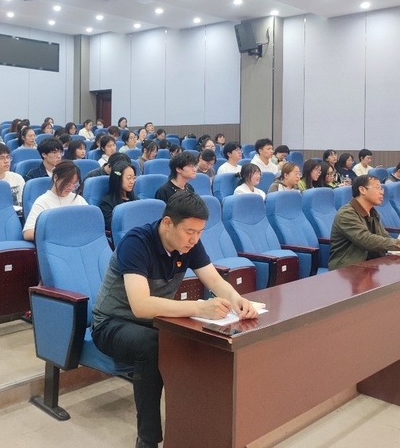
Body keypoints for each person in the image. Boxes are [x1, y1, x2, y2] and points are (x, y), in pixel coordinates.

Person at [91, 192, 258, 448]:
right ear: (168, 223)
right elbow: (140, 306)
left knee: (201, 340)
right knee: (153, 345)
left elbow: (214, 280)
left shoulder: (189, 244)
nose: (195, 239)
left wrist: (237, 299)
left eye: (200, 232)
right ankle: (147, 440)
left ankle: (201, 427)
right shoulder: (136, 243)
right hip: (111, 323)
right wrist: (200, 308)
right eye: (190, 231)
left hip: (156, 321)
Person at [329, 175, 400, 270]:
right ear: (362, 190)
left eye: (381, 189)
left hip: (372, 265)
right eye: (377, 188)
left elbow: (384, 236)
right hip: (347, 268)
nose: (382, 192)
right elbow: (366, 240)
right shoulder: (346, 213)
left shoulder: (372, 212)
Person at [22, 161, 88, 240]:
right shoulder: (43, 201)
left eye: (74, 184)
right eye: (67, 183)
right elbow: (28, 233)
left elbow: (91, 223)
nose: (71, 187)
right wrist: (58, 233)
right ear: (55, 178)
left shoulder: (78, 199)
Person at [99, 160, 138, 230]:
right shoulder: (106, 203)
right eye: (129, 178)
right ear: (118, 179)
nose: (132, 182)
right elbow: (112, 226)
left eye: (134, 178)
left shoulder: (135, 200)